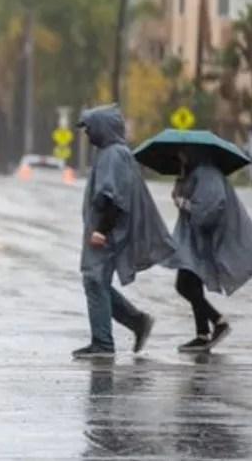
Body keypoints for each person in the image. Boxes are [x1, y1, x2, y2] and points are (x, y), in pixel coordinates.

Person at [73, 105, 176, 359]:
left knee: (95, 280)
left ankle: (104, 344)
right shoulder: (110, 152)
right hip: (103, 230)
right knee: (97, 282)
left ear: (103, 127)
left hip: (106, 232)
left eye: (90, 128)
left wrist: (102, 230)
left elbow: (114, 197)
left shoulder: (113, 155)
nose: (87, 134)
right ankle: (137, 322)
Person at [166, 147, 252, 353]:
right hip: (193, 241)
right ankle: (203, 334)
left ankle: (217, 322)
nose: (180, 156)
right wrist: (179, 189)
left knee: (185, 285)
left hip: (205, 241)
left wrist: (183, 202)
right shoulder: (194, 172)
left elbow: (210, 209)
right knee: (190, 285)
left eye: (183, 153)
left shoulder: (207, 174)